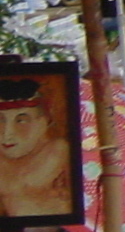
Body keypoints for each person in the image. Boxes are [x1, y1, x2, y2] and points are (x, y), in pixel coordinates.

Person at [0, 76, 75, 219]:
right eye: (0, 121)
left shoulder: (59, 152)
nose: (7, 134)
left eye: (21, 121)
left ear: (44, 122)